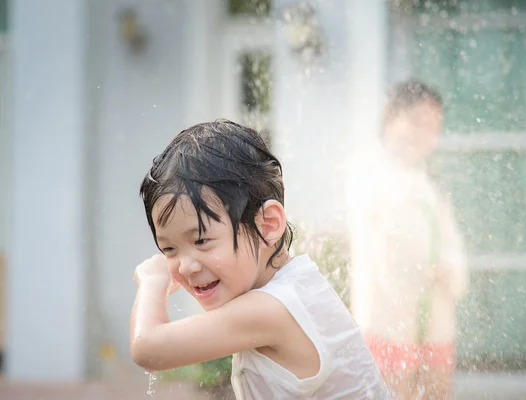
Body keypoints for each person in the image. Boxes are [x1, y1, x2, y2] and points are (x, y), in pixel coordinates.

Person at [130, 120, 390, 399]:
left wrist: (152, 281)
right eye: (168, 249)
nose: (185, 265)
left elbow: (149, 348)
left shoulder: (272, 308)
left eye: (201, 240)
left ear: (268, 224)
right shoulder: (296, 287)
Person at [347, 81, 469, 399]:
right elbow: (381, 246)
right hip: (388, 319)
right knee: (391, 392)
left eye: (433, 127)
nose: (424, 134)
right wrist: (416, 272)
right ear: (390, 121)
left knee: (436, 392)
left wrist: (449, 270)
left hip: (436, 318)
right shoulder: (371, 178)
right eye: (416, 122)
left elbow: (451, 245)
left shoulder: (432, 185)